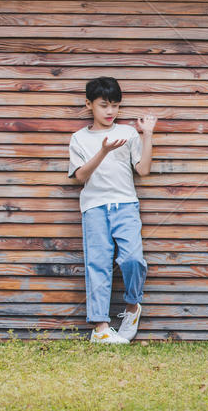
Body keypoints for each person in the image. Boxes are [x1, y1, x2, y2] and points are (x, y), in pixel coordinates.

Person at [67, 76, 156, 344]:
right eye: (104, 105)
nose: (110, 112)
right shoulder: (79, 138)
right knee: (98, 266)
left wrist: (147, 134)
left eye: (115, 106)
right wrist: (103, 151)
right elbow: (80, 176)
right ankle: (101, 329)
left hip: (126, 205)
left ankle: (131, 308)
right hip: (94, 208)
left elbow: (143, 169)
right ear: (89, 104)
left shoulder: (127, 133)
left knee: (132, 260)